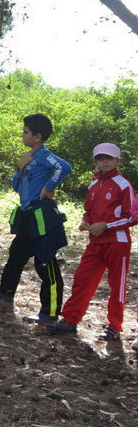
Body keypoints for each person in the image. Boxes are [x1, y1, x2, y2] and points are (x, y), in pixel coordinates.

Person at [47, 143, 135, 342]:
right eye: (100, 158)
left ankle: (114, 326)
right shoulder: (93, 186)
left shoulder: (123, 185)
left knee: (116, 285)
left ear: (117, 161)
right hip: (95, 242)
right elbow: (88, 209)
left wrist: (107, 225)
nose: (105, 161)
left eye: (109, 158)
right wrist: (85, 221)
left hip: (117, 242)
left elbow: (132, 217)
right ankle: (70, 320)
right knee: (82, 278)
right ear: (95, 161)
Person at [0, 114, 71, 323]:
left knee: (44, 260)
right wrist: (20, 168)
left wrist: (48, 187)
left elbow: (64, 167)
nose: (22, 135)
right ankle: (6, 292)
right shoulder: (29, 157)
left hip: (42, 214)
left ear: (37, 136)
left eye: (25, 132)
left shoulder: (45, 155)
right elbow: (16, 186)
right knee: (17, 253)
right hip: (27, 214)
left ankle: (50, 311)